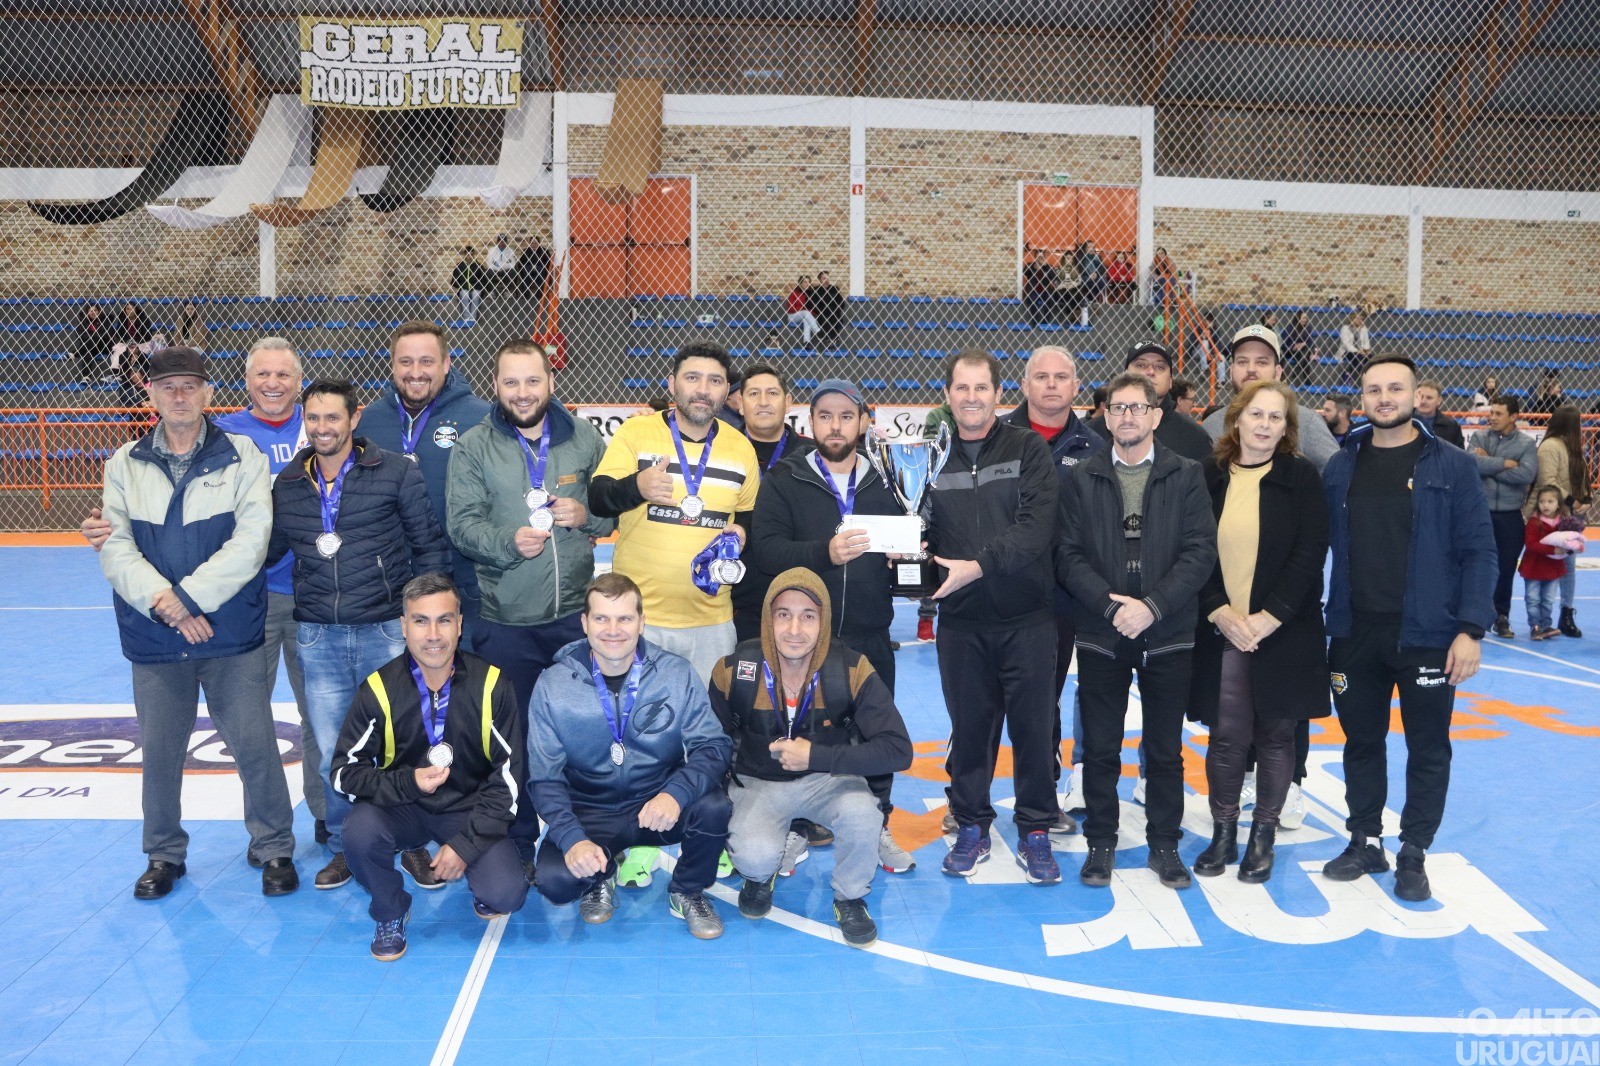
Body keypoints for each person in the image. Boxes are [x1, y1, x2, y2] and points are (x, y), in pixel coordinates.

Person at [82, 338, 327, 840]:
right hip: (213, 612)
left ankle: (315, 827)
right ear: (150, 394)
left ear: (206, 393)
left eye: (189, 387)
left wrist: (186, 598)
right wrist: (171, 604)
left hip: (292, 600)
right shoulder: (131, 461)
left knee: (298, 727)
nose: (178, 397)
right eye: (167, 388)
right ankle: (169, 850)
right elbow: (116, 542)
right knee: (184, 744)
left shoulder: (320, 428)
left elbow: (251, 538)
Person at [1320, 355, 1496, 902]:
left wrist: (1471, 629)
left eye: (1395, 388)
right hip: (1354, 632)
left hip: (1428, 634)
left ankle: (1414, 850)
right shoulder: (1341, 465)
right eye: (1373, 389)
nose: (1384, 398)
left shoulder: (1451, 465)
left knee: (1427, 747)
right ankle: (1365, 839)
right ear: (1362, 399)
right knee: (1361, 743)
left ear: (1418, 394)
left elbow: (1479, 552)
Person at [267, 378, 452, 891]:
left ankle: (411, 842)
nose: (323, 428)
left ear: (354, 419)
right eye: (315, 418)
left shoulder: (395, 472)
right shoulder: (289, 484)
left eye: (333, 417)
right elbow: (265, 550)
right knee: (333, 750)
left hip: (383, 630)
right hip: (317, 636)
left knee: (400, 743)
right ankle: (348, 846)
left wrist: (430, 619)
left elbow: (428, 546)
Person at [446, 338, 613, 871]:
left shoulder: (584, 438)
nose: (523, 393)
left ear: (551, 382)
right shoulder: (474, 446)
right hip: (506, 620)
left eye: (532, 381)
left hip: (573, 620)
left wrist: (583, 515)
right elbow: (461, 524)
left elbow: (612, 516)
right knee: (509, 740)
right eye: (511, 382)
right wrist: (505, 543)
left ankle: (583, 835)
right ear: (495, 386)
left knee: (584, 733)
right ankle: (516, 839)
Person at [748, 378, 918, 874]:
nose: (836, 425)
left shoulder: (888, 480)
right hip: (801, 643)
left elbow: (909, 547)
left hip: (868, 636)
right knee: (794, 733)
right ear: (810, 422)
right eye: (825, 416)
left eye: (846, 416)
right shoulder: (786, 479)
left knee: (874, 739)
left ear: (865, 421)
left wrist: (908, 561)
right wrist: (825, 552)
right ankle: (795, 830)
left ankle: (878, 827)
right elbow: (768, 551)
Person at [1056, 372, 1216, 891]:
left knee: (1164, 748)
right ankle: (1101, 842)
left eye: (1137, 408)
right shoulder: (1081, 476)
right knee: (1100, 746)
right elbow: (1068, 555)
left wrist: (1151, 606)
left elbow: (1200, 553)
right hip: (1103, 632)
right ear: (1105, 415)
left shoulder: (1186, 474)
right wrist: (1109, 608)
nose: (1126, 416)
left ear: (1155, 415)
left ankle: (1164, 845)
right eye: (1117, 408)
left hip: (1167, 629)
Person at [332, 574, 529, 960]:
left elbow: (509, 781)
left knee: (506, 894)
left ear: (459, 624)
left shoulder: (492, 685)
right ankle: (390, 910)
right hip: (401, 807)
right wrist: (408, 784)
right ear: (404, 626)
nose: (433, 634)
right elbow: (343, 773)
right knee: (358, 833)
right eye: (421, 621)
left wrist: (465, 845)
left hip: (468, 809)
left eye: (444, 620)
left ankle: (482, 881)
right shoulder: (378, 688)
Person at [527, 573, 734, 939]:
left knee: (714, 808)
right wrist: (573, 838)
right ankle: (599, 877)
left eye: (624, 618)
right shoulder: (552, 685)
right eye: (602, 618)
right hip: (591, 808)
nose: (613, 629)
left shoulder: (675, 673)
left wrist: (675, 794)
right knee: (556, 882)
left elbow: (713, 746)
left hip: (657, 800)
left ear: (641, 621)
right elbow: (544, 778)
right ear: (585, 623)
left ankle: (687, 890)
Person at [712, 568, 912, 945]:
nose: (794, 629)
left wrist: (817, 756)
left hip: (830, 781)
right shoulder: (734, 671)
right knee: (753, 857)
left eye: (809, 616)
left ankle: (850, 897)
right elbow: (710, 744)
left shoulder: (850, 669)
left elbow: (898, 749)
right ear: (768, 619)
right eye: (783, 614)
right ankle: (761, 874)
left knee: (862, 815)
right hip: (757, 783)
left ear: (824, 622)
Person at [924, 350, 1063, 883]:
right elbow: (923, 526)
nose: (972, 398)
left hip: (1028, 620)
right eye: (962, 388)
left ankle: (1035, 830)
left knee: (1033, 730)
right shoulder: (932, 458)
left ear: (998, 395)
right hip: (961, 624)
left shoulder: (1027, 448)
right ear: (949, 395)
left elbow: (1037, 529)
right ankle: (972, 825)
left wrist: (977, 567)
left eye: (981, 388)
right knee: (971, 729)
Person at [1190, 381, 1329, 884]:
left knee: (1275, 735)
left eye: (1276, 417)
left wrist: (1271, 617)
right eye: (1257, 415)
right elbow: (1194, 551)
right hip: (1224, 627)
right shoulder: (1207, 476)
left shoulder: (1302, 477)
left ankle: (1262, 837)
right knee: (1226, 737)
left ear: (1287, 427)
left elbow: (1310, 553)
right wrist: (1219, 611)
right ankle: (1223, 832)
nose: (1265, 424)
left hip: (1283, 629)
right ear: (1237, 419)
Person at [589, 342, 760, 683]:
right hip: (639, 619)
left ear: (727, 391)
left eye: (714, 381)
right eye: (692, 378)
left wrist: (743, 533)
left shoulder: (741, 447)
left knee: (710, 726)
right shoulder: (636, 432)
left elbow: (749, 518)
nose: (702, 389)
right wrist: (637, 487)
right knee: (638, 724)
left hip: (712, 622)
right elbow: (598, 499)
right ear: (671, 384)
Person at [999, 347, 1103, 817]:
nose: (1052, 385)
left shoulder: (1095, 448)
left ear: (1076, 386)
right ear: (1024, 385)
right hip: (1001, 587)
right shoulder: (997, 439)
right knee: (979, 701)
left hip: (1064, 597)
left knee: (1045, 699)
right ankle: (963, 797)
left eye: (1062, 376)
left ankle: (1043, 795)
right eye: (1041, 376)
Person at [356, 320, 493, 652]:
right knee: (402, 694)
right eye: (406, 362)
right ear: (392, 366)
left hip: (465, 584)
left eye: (426, 361)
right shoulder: (370, 422)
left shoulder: (482, 418)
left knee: (466, 690)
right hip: (389, 589)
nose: (415, 371)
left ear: (446, 364)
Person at [730, 364, 812, 641]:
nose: (763, 402)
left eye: (772, 393)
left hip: (802, 599)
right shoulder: (720, 453)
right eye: (753, 393)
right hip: (737, 601)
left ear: (788, 402)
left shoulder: (813, 456)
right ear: (740, 403)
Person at [1202, 325, 1340, 471]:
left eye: (1262, 362)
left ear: (1278, 372)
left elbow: (1339, 475)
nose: (1251, 369)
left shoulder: (1307, 423)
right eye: (1242, 362)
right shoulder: (1211, 426)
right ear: (1231, 371)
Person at [1466, 396, 1537, 639]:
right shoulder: (1479, 437)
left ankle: (1501, 616)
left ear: (1513, 417)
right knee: (1474, 566)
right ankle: (1473, 616)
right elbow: (1472, 464)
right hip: (1480, 514)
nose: (1492, 417)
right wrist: (1504, 464)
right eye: (1491, 412)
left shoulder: (1526, 444)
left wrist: (1490, 466)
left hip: (1510, 516)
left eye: (1498, 413)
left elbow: (1526, 474)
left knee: (1506, 568)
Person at [1089, 343, 1216, 474]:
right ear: (1125, 375)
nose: (1150, 372)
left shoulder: (1196, 438)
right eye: (1140, 365)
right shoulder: (1090, 434)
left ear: (1171, 381)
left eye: (1160, 367)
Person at [1536, 405, 1592, 637]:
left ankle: (1566, 612)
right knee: (1545, 565)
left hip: (1568, 515)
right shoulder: (1550, 447)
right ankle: (1540, 617)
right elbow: (1547, 481)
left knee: (1568, 566)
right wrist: (1571, 500)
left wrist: (1584, 499)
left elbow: (1579, 478)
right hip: (1551, 516)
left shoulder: (1571, 449)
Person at [1519, 487, 1574, 641]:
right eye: (1542, 501)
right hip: (1534, 567)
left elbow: (1570, 541)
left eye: (1550, 501)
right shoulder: (1534, 522)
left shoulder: (1564, 523)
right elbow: (1531, 544)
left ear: (1558, 504)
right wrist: (1553, 549)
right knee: (1533, 598)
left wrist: (1570, 548)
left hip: (1552, 569)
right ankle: (1535, 626)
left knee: (1548, 599)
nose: (1545, 505)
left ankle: (1546, 625)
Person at [1414, 380, 1464, 447]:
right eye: (1421, 397)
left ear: (1439, 400)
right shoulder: (1403, 422)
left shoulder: (1452, 426)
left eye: (1429, 398)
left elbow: (1459, 455)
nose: (1423, 401)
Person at [74, 303, 113, 383]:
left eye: (95, 310)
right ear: (87, 313)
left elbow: (107, 334)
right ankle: (86, 377)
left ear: (99, 311)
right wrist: (93, 338)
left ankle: (75, 353)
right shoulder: (84, 322)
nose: (93, 312)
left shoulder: (105, 320)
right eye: (90, 311)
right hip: (91, 347)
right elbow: (79, 335)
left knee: (92, 341)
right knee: (88, 351)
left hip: (105, 346)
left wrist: (94, 337)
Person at [808, 270, 846, 348]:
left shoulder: (834, 289)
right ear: (820, 280)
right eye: (824, 278)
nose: (827, 280)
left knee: (833, 313)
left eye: (828, 278)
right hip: (822, 314)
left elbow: (841, 303)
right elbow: (812, 304)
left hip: (835, 313)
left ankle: (832, 339)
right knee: (828, 314)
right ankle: (831, 339)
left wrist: (835, 308)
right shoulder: (816, 290)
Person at [452, 247, 485, 323]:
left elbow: (483, 280)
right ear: (464, 255)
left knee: (476, 295)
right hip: (464, 288)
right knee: (464, 294)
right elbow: (455, 281)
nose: (469, 256)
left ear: (473, 255)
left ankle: (473, 318)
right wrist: (458, 287)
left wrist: (480, 288)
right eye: (467, 254)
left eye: (471, 254)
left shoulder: (478, 266)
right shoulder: (459, 266)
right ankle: (466, 318)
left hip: (476, 288)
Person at [1338, 311, 1371, 385]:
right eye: (1358, 318)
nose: (1361, 321)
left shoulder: (1364, 328)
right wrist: (1358, 351)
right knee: (1359, 358)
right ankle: (1356, 381)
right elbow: (1347, 345)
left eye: (1362, 319)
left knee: (1371, 358)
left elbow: (1366, 342)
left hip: (1361, 351)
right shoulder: (1345, 328)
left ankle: (1368, 379)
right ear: (1352, 318)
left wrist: (1366, 351)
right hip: (1347, 352)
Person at [516, 236, 552, 302]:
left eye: (535, 243)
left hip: (540, 271)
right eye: (532, 243)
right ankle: (526, 296)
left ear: (539, 243)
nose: (534, 245)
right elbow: (520, 264)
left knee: (540, 273)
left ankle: (539, 296)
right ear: (529, 244)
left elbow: (548, 264)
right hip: (528, 271)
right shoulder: (525, 251)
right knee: (526, 273)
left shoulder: (544, 251)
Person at [1280, 311, 1314, 379]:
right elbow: (1283, 342)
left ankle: (1297, 371)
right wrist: (1294, 346)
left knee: (1305, 352)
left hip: (1302, 351)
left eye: (1306, 318)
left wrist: (1313, 351)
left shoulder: (1308, 328)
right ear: (1298, 318)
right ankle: (1307, 380)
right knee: (1305, 354)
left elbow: (1309, 341)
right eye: (1303, 318)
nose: (1305, 320)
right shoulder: (1290, 327)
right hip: (1289, 351)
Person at [786, 275, 820, 344]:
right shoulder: (794, 293)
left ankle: (806, 342)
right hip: (793, 316)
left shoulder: (811, 294)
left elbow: (814, 310)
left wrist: (806, 311)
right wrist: (803, 309)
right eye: (805, 282)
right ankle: (818, 331)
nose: (808, 284)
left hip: (805, 316)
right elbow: (790, 308)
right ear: (800, 283)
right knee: (805, 313)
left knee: (806, 318)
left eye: (809, 282)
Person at [1074, 241, 1106, 306]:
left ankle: (1091, 299)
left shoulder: (1098, 257)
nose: (1091, 248)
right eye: (1089, 247)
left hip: (1096, 276)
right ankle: (1091, 299)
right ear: (1085, 248)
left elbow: (1102, 268)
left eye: (1093, 247)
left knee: (1103, 280)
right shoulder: (1080, 257)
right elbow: (1079, 268)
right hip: (1084, 276)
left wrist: (1096, 273)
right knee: (1088, 281)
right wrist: (1089, 275)